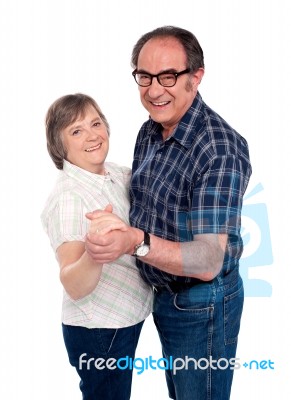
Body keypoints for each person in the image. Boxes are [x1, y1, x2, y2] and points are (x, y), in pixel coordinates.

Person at [85, 26, 252, 400]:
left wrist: (136, 243)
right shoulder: (151, 129)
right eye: (144, 77)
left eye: (168, 76)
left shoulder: (219, 149)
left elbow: (208, 260)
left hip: (202, 304)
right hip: (160, 294)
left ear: (196, 76)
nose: (154, 90)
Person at [41, 93, 153, 400]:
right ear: (59, 145)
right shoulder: (70, 198)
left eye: (96, 123)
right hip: (100, 331)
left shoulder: (114, 174)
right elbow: (73, 282)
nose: (92, 135)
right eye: (76, 131)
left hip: (126, 317)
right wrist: (93, 252)